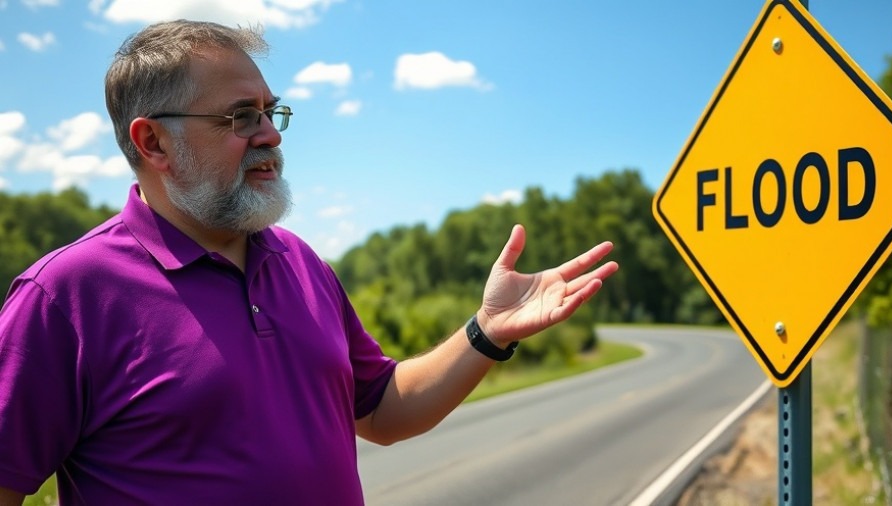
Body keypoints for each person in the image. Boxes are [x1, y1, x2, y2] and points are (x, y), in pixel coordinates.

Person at [0, 20, 618, 506]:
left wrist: (488, 331)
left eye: (271, 112)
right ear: (153, 142)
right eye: (241, 117)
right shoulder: (65, 296)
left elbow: (380, 411)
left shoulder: (299, 261)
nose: (270, 134)